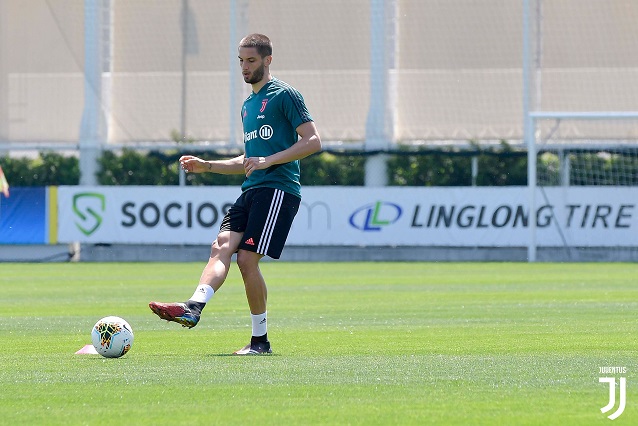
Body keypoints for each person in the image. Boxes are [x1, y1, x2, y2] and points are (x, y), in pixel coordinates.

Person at [149, 33, 321, 355]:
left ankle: (260, 342)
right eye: (241, 61)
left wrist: (268, 160)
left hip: (278, 189)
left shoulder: (285, 95)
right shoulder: (248, 105)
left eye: (251, 60)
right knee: (221, 247)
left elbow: (313, 141)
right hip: (252, 189)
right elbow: (248, 161)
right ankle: (193, 307)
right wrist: (208, 166)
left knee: (246, 259)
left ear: (268, 60)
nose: (244, 67)